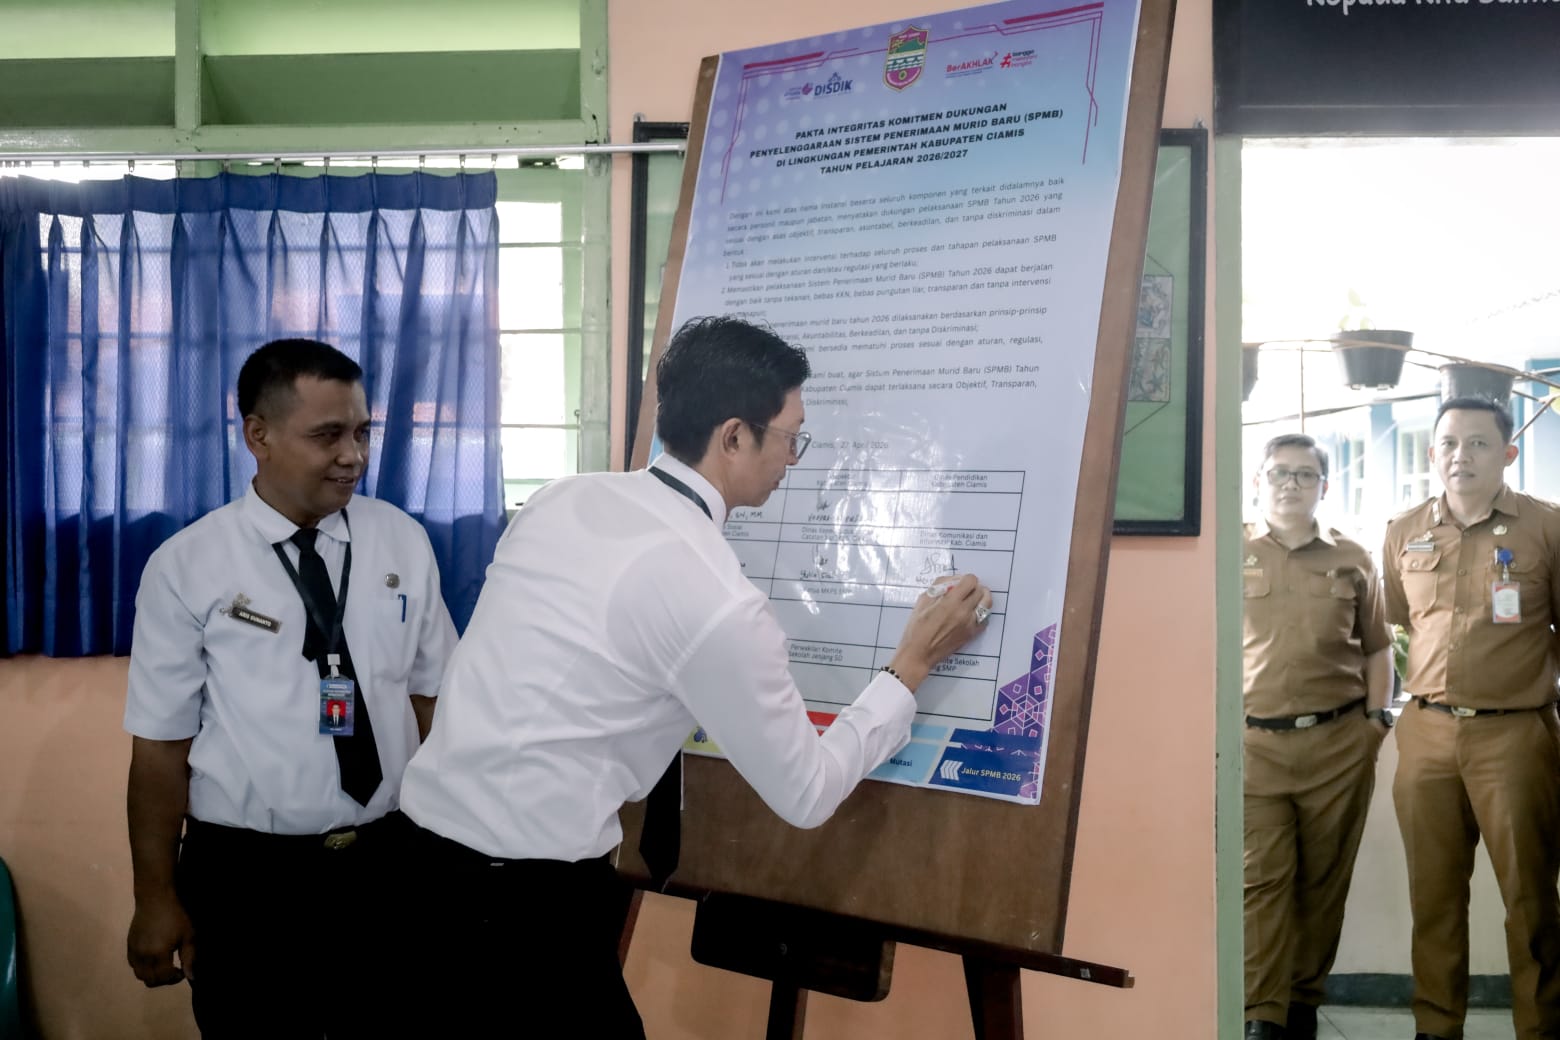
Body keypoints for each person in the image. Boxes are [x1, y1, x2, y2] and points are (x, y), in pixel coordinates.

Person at [398, 315, 993, 1036]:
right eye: (790, 438)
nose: (793, 458)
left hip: (416, 866)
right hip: (524, 907)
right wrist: (911, 665)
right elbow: (807, 791)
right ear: (734, 436)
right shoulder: (715, 597)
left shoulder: (561, 498)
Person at [123, 338, 457, 1038]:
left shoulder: (401, 540)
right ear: (259, 436)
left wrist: (458, 845)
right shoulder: (187, 566)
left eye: (362, 431)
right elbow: (159, 748)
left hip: (389, 862)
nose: (353, 455)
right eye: (327, 435)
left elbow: (434, 701)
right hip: (248, 879)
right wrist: (154, 897)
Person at [1383, 396, 1560, 1040]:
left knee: (1530, 900)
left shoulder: (1547, 528)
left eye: (1479, 443)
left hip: (1515, 735)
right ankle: (1436, 1028)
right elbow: (1400, 621)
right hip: (1426, 733)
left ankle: (1540, 1029)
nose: (1462, 456)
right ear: (1433, 454)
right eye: (1450, 443)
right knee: (1432, 898)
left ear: (1507, 453)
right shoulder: (1403, 532)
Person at [1242, 434, 1393, 1040]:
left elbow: (1379, 647)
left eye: (1305, 474)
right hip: (1254, 748)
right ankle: (1261, 1013)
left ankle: (1302, 1004)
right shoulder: (1231, 552)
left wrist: (1376, 724)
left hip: (1338, 746)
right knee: (1260, 881)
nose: (1291, 484)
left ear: (1324, 487)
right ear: (1259, 481)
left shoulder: (1352, 557)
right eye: (1280, 472)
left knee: (1324, 882)